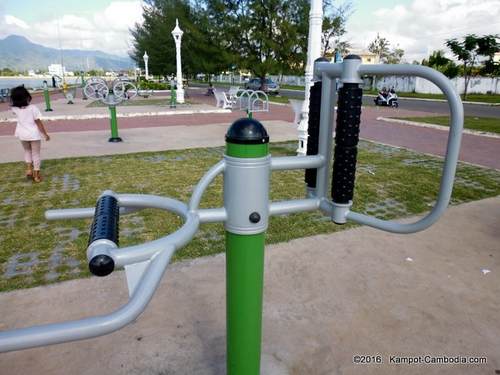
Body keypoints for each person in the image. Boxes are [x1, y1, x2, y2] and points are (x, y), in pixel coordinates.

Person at [10, 86, 50, 183]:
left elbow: (16, 112)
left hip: (22, 134)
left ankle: (28, 169)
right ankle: (36, 175)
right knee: (36, 154)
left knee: (27, 151)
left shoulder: (14, 109)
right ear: (27, 97)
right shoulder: (33, 108)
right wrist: (45, 134)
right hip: (33, 134)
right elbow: (38, 123)